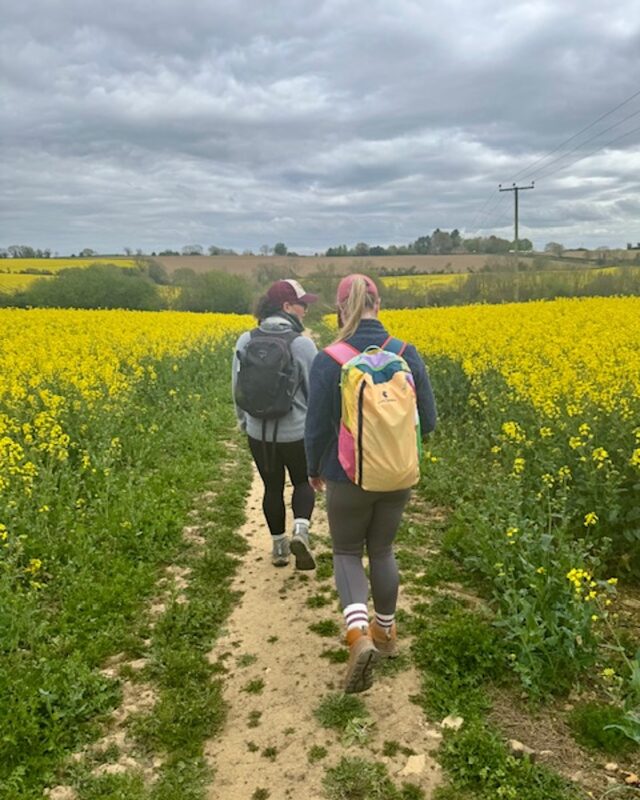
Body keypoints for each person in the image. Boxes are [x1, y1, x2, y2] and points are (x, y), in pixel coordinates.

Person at [304, 274, 437, 692]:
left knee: (346, 550)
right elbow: (428, 422)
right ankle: (386, 631)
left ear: (342, 309)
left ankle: (358, 635)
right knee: (382, 549)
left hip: (347, 476)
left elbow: (316, 428)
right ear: (378, 303)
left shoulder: (330, 358)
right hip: (397, 475)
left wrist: (314, 469)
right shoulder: (405, 352)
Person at [232, 279, 319, 570]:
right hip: (296, 432)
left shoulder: (246, 339)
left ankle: (279, 549)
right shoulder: (302, 344)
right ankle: (301, 531)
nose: (305, 310)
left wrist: (244, 422)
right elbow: (316, 392)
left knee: (271, 487)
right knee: (302, 482)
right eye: (302, 304)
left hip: (260, 432)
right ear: (286, 307)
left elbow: (237, 388)